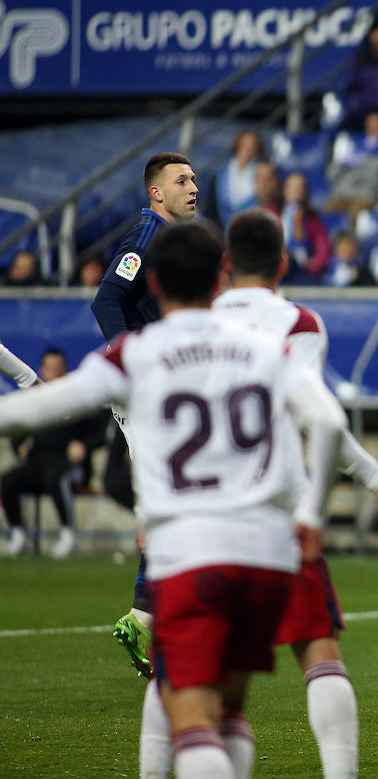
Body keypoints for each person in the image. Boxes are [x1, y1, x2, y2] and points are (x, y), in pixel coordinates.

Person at [0, 221, 346, 779]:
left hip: (187, 553)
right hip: (264, 554)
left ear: (154, 284)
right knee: (231, 710)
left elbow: (36, 410)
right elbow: (329, 422)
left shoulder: (135, 353)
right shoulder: (267, 347)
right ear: (220, 280)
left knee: (190, 716)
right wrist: (311, 516)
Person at [138, 209, 378, 779]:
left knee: (183, 666)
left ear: (224, 266)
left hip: (193, 518)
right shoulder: (297, 324)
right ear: (284, 263)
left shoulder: (190, 324)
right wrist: (375, 480)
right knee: (318, 650)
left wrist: (150, 509)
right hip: (275, 516)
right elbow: (321, 420)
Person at [91, 152, 198, 679]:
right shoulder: (146, 237)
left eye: (195, 178)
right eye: (181, 180)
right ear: (156, 192)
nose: (192, 186)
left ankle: (145, 615)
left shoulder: (170, 241)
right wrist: (128, 355)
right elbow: (107, 299)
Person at [1, 348, 104, 558]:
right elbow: (17, 429)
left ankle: (68, 535)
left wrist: (84, 445)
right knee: (9, 479)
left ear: (66, 370)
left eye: (59, 369)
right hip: (38, 463)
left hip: (68, 465)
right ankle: (18, 535)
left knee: (57, 477)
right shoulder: (33, 399)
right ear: (42, 370)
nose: (55, 374)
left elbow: (102, 429)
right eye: (51, 369)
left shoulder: (77, 396)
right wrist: (19, 446)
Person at [215, 131, 269, 228]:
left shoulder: (263, 171)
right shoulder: (223, 172)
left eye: (252, 146)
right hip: (223, 223)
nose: (248, 149)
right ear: (237, 146)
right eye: (245, 145)